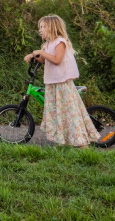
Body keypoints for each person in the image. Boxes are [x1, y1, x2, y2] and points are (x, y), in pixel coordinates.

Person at [24, 14, 100, 147]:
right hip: (52, 83)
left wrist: (41, 52)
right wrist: (33, 56)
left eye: (42, 27)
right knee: (58, 114)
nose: (40, 30)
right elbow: (44, 59)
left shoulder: (60, 42)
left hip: (62, 84)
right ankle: (63, 140)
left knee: (69, 113)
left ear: (52, 28)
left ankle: (82, 144)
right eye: (39, 27)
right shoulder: (47, 44)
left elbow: (56, 60)